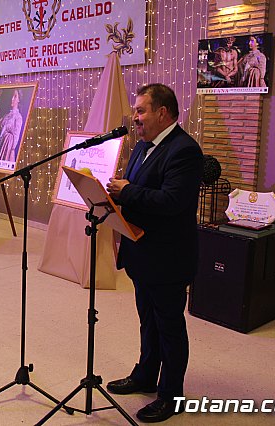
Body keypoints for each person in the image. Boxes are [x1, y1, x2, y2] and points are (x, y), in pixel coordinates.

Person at [105, 84, 203, 423]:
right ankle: (145, 374)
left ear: (163, 112)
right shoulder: (143, 147)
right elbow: (139, 190)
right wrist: (119, 192)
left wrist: (128, 191)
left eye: (141, 110)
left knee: (169, 326)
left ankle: (171, 394)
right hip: (141, 253)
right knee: (148, 319)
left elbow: (171, 202)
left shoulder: (185, 151)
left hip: (168, 258)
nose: (135, 117)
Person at [0, 89, 24, 162]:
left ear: (19, 100)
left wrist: (10, 146)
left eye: (15, 96)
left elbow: (16, 136)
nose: (12, 99)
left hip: (7, 148)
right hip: (0, 144)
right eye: (12, 96)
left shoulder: (18, 117)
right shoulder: (6, 115)